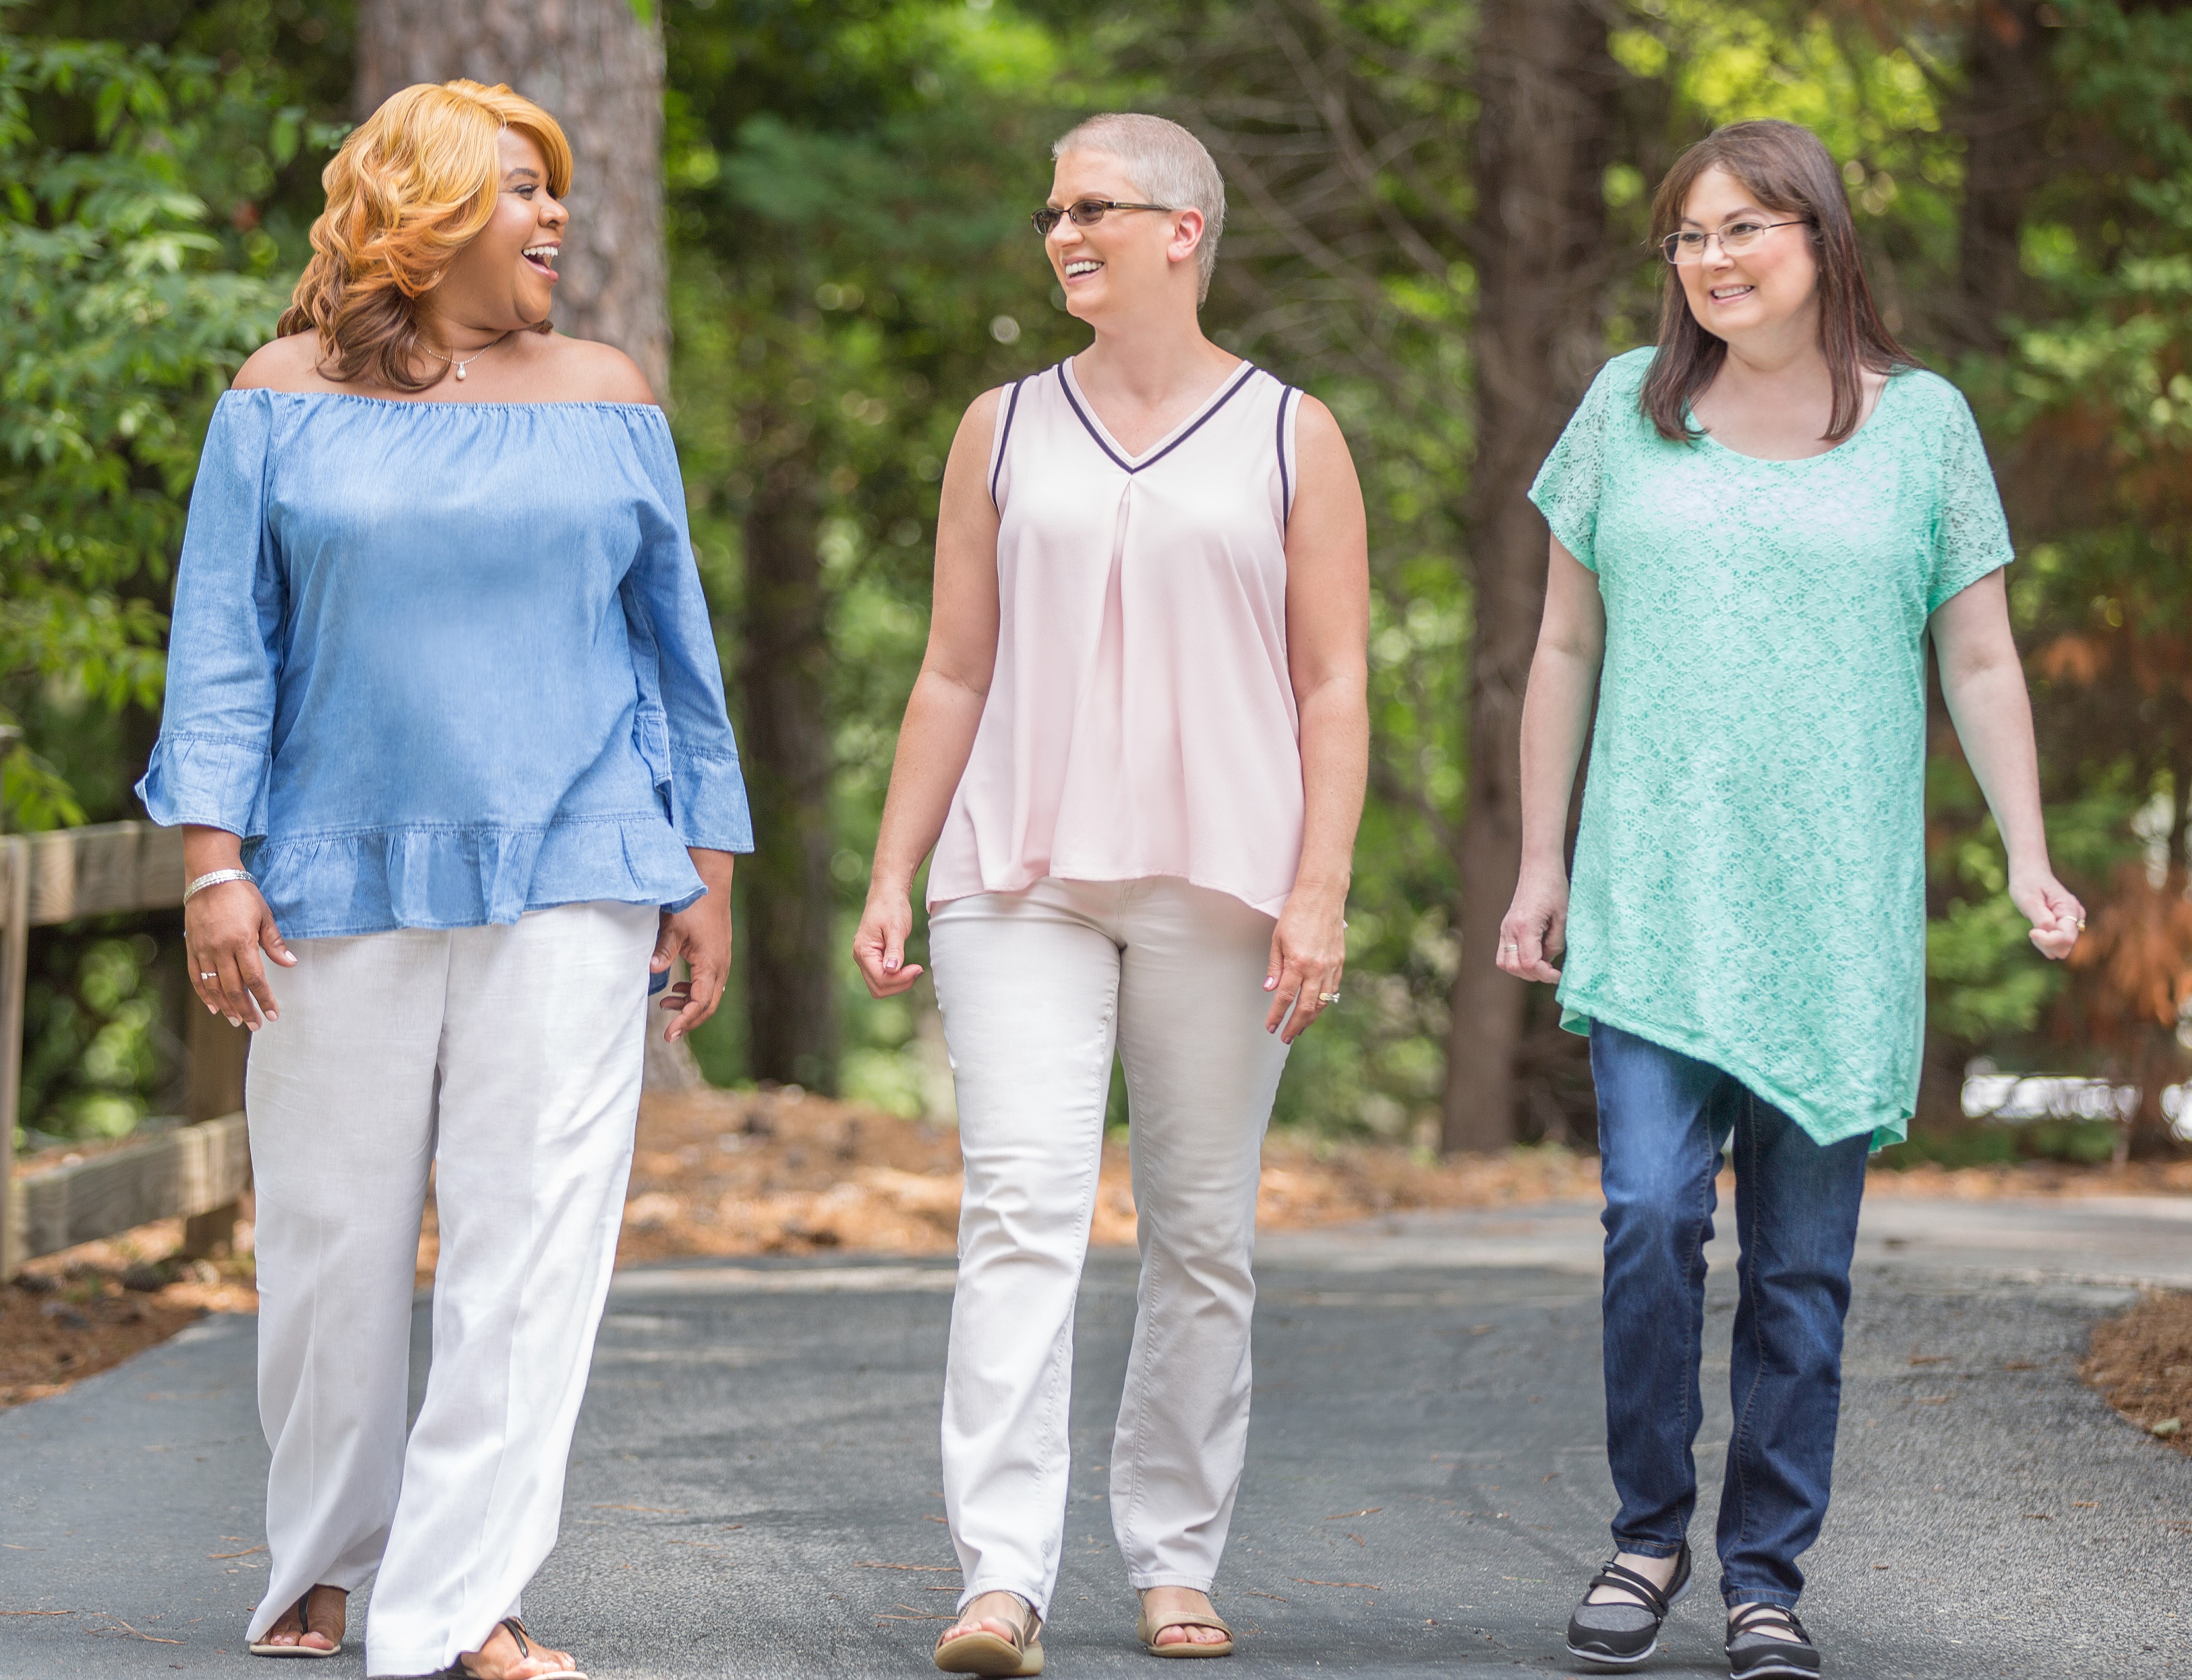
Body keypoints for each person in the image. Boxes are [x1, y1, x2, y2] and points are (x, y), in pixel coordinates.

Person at [139, 81, 751, 1680]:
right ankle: (324, 1558)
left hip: (579, 857)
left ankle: (462, 1598)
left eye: (559, 192)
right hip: (330, 868)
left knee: (532, 1238)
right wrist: (215, 862)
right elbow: (224, 648)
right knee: (335, 1237)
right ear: (421, 212)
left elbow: (675, 649)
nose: (558, 217)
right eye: (521, 191)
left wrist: (708, 861)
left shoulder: (608, 393)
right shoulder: (278, 396)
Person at [1497, 119, 2082, 1680]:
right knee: (1648, 1219)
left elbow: (1979, 657)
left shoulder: (1925, 427)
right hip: (1656, 896)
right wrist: (1542, 859)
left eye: (1747, 228)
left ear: (1822, 239)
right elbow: (1564, 648)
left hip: (1836, 916)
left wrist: (2028, 853)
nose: (1715, 259)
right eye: (1691, 236)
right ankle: (1644, 1535)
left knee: (1806, 1274)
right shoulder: (1627, 412)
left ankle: (1767, 1575)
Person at [853, 113, 1369, 1674]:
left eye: (1094, 208)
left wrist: (1320, 891)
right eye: (1051, 212)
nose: (1063, 232)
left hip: (1227, 885)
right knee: (1020, 1207)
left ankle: (1174, 1555)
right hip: (1020, 875)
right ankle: (1000, 1574)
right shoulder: (1001, 427)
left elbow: (1335, 684)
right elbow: (955, 666)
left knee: (1202, 1230)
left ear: (1183, 228)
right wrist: (893, 868)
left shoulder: (1294, 432)